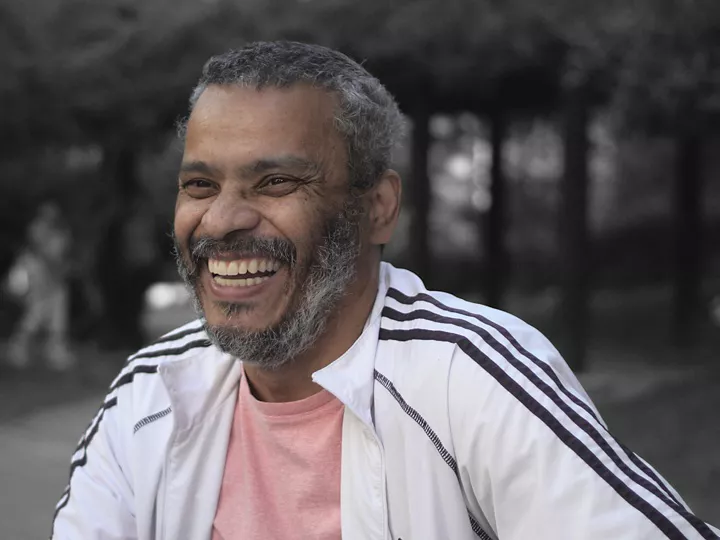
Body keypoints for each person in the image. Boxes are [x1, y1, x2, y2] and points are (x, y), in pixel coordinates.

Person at [51, 41, 719, 540]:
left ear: (377, 208)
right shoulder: (150, 393)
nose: (221, 220)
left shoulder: (468, 377)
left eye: (276, 183)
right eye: (200, 185)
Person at [7, 201, 75, 371]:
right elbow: (43, 254)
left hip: (53, 279)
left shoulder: (60, 232)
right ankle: (18, 348)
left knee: (56, 313)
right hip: (38, 275)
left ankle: (53, 350)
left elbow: (60, 256)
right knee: (37, 312)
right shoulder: (38, 228)